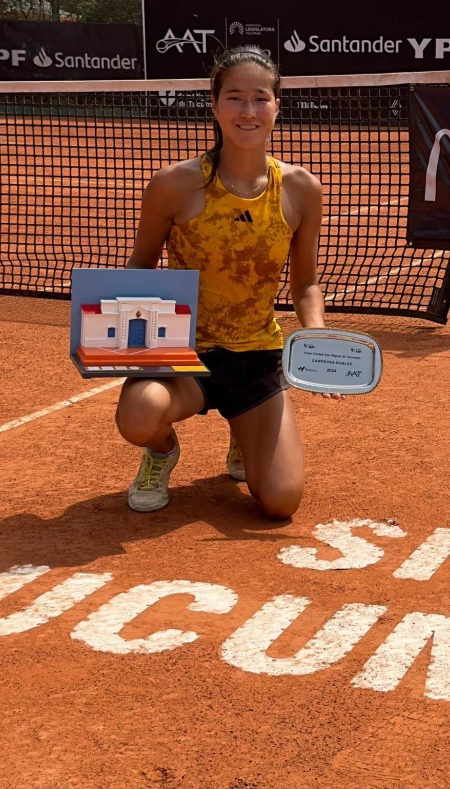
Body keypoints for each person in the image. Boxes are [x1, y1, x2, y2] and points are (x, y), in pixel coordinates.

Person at [116, 46, 340, 517]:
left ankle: (245, 432)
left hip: (257, 358)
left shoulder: (301, 189)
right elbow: (139, 266)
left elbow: (305, 285)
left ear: (278, 106)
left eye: (260, 98)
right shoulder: (174, 185)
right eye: (235, 98)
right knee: (139, 416)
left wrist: (316, 334)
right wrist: (108, 329)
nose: (248, 110)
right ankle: (161, 451)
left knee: (280, 502)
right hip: (182, 354)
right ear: (215, 105)